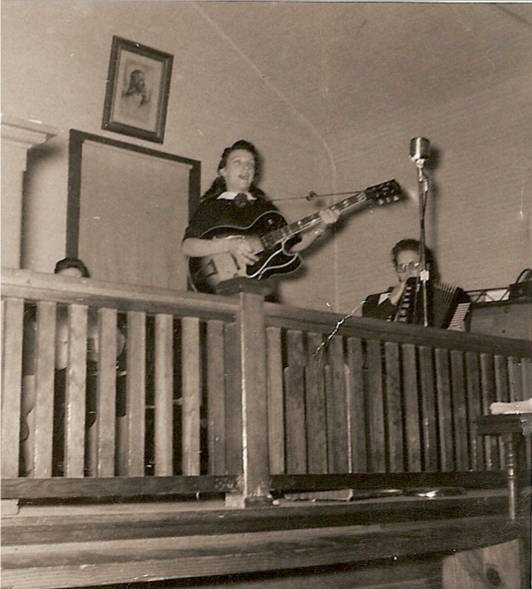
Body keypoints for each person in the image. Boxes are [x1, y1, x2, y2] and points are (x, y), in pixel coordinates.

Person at [182, 139, 339, 294]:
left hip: (260, 291)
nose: (246, 168)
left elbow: (295, 244)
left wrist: (322, 225)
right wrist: (229, 246)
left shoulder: (267, 210)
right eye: (238, 162)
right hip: (223, 292)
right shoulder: (211, 206)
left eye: (250, 164)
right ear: (223, 172)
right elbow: (188, 246)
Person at [362, 238, 469, 328]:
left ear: (427, 267)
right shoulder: (375, 301)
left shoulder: (457, 297)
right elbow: (365, 331)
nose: (408, 272)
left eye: (413, 265)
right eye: (402, 267)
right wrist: (390, 303)